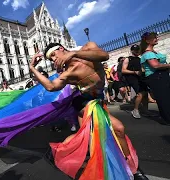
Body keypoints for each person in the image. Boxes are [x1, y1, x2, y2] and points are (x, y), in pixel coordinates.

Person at [30, 42, 147, 179]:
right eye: (51, 59)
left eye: (54, 55)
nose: (54, 60)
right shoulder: (69, 71)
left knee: (88, 136)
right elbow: (51, 86)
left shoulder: (87, 48)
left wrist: (74, 53)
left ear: (61, 49)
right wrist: (32, 68)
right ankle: (133, 169)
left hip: (98, 101)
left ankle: (56, 151)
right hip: (86, 103)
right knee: (118, 128)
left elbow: (104, 55)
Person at [140, 32, 170, 125]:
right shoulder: (148, 53)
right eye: (153, 37)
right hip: (156, 76)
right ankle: (167, 119)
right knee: (163, 98)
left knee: (166, 97)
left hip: (161, 75)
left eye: (156, 37)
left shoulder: (153, 52)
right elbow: (155, 65)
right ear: (147, 40)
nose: (156, 38)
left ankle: (166, 117)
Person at [122, 45, 150, 119]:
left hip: (141, 78)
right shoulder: (127, 59)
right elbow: (123, 70)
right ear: (132, 51)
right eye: (135, 50)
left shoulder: (140, 59)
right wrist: (135, 72)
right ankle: (135, 110)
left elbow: (142, 69)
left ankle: (145, 110)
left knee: (145, 93)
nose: (137, 51)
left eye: (138, 49)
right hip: (132, 78)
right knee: (141, 93)